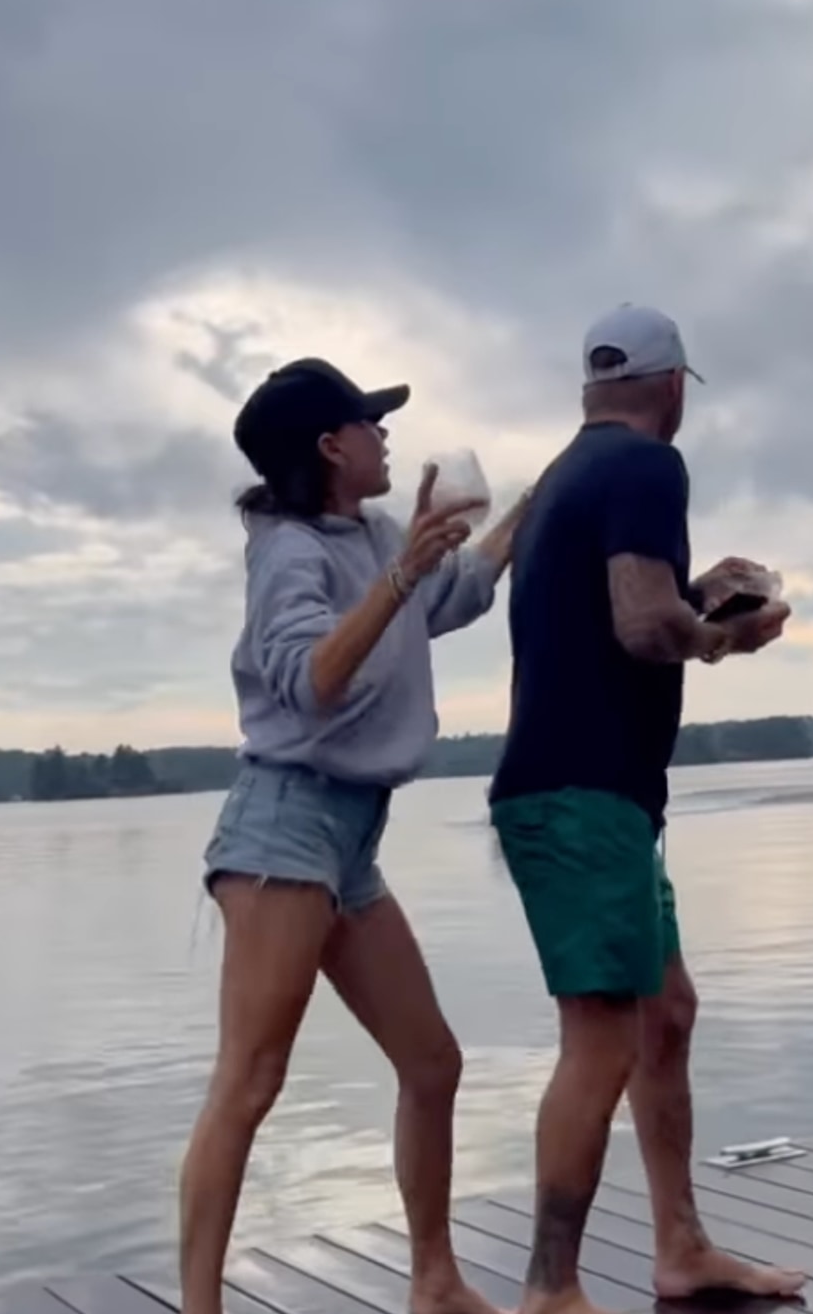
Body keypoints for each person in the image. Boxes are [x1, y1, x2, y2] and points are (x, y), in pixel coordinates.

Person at [180, 356, 528, 1314]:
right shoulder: (288, 552)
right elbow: (312, 681)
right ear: (331, 447)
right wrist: (404, 570)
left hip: (350, 844)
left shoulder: (377, 532)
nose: (387, 438)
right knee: (250, 1083)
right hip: (282, 829)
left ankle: (435, 1282)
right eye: (370, 425)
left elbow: (452, 594)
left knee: (433, 1062)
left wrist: (536, 503)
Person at [489, 306, 807, 1314]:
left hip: (601, 796)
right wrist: (728, 637)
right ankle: (551, 1290)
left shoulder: (567, 480)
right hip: (581, 798)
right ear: (674, 387)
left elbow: (628, 600)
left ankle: (681, 1247)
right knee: (602, 1041)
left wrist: (697, 596)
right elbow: (641, 625)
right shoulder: (647, 470)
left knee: (665, 1014)